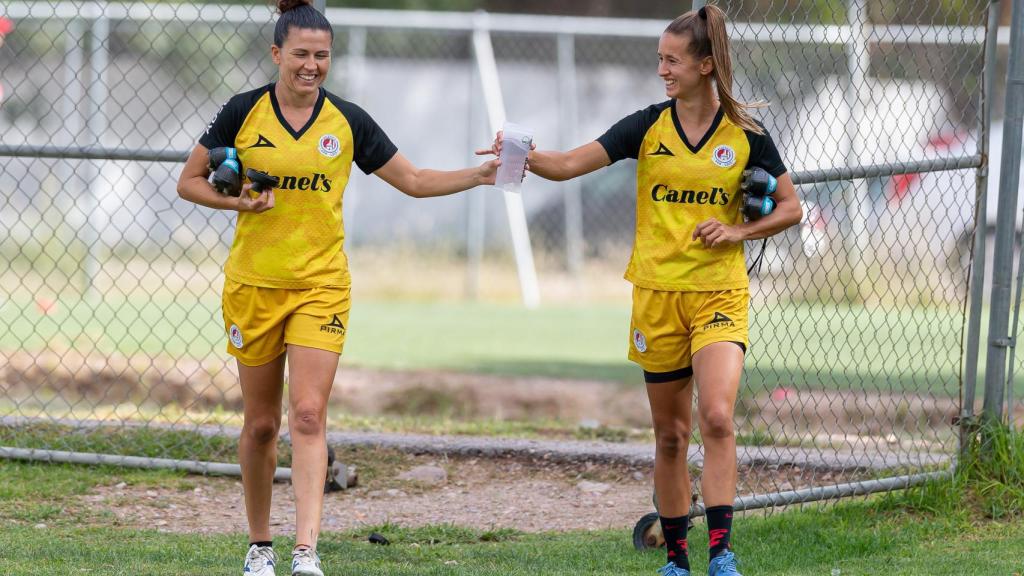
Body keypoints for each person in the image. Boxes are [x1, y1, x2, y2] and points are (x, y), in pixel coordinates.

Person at [176, 2, 498, 575]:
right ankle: (259, 546)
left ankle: (306, 552)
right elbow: (189, 182)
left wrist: (477, 175)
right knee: (261, 424)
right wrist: (239, 202)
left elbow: (414, 180)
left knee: (307, 415)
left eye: (321, 55)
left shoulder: (348, 120)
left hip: (321, 287)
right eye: (300, 54)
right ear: (277, 54)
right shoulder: (243, 110)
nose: (311, 65)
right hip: (254, 285)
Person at [490, 5, 801, 575]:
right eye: (660, 59)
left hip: (718, 294)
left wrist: (737, 230)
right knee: (671, 436)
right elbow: (570, 163)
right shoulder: (647, 126)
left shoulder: (746, 136)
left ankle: (722, 555)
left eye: (672, 60)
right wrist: (521, 157)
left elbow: (791, 207)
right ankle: (678, 561)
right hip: (656, 298)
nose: (662, 70)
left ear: (705, 65)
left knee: (717, 417)